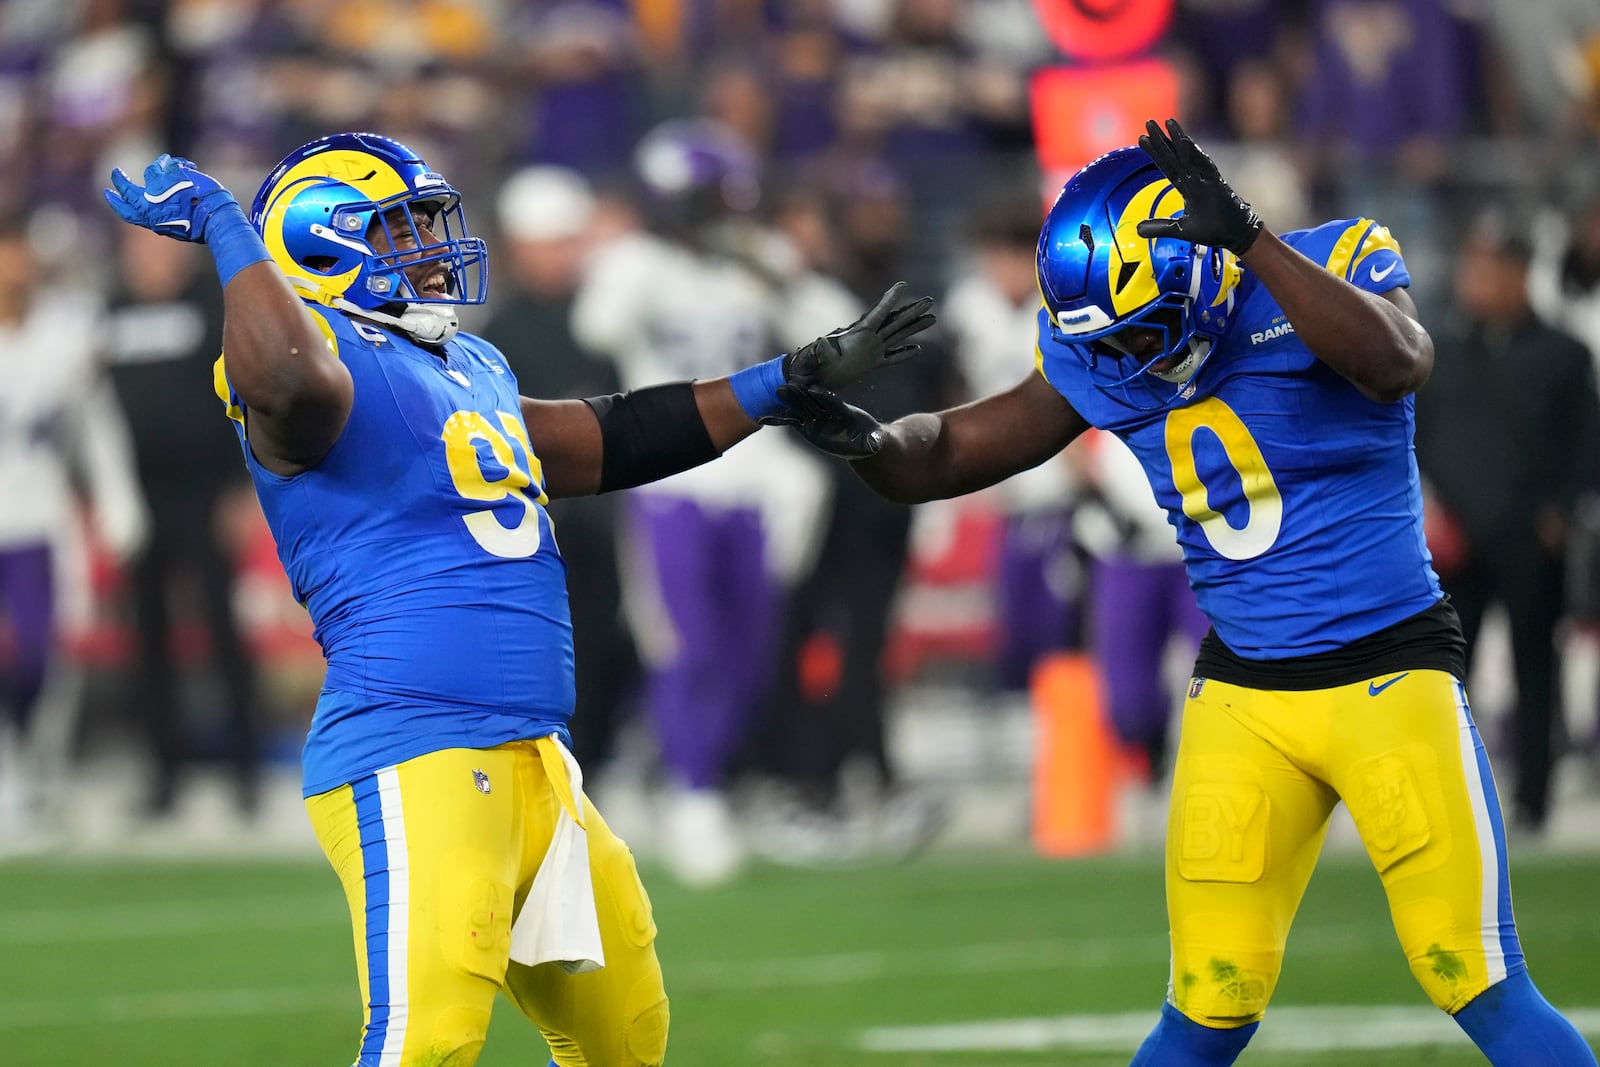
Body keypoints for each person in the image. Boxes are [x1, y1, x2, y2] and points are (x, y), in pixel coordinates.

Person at [769, 119, 1598, 1066]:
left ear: (1202, 273)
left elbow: (1397, 360)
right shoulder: (1099, 350)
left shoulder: (1332, 262)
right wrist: (868, 443)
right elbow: (955, 447)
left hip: (1390, 675)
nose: (1131, 360)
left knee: (1478, 979)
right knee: (1205, 1006)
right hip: (1243, 697)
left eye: (1144, 330)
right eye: (1109, 341)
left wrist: (1251, 241)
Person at [102, 133, 931, 1067]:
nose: (427, 242)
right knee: (428, 1044)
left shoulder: (466, 363)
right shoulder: (305, 363)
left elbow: (599, 438)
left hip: (537, 756)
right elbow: (286, 378)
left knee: (623, 1033)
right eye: (398, 225)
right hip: (415, 746)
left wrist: (773, 385)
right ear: (319, 241)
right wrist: (225, 230)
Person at [1414, 210, 1600, 836]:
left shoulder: (1564, 354)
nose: (1477, 279)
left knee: (1534, 670)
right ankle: (1445, 798)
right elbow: (1415, 439)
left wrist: (1560, 511)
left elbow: (1586, 444)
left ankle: (1533, 802)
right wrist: (1431, 507)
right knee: (1442, 675)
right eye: (1473, 265)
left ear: (1521, 274)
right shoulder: (1436, 351)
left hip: (1529, 537)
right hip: (1455, 538)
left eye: (1492, 267)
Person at [105, 224, 264, 819]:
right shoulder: (109, 309)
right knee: (146, 637)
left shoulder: (210, 305)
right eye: (138, 248)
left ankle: (244, 769)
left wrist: (239, 486)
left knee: (223, 630)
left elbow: (245, 394)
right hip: (137, 496)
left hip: (204, 491)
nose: (149, 259)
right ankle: (162, 771)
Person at [0, 216, 146, 853]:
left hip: (37, 513)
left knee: (40, 658)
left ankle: (37, 777)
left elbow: (96, 424)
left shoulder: (65, 333)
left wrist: (118, 502)